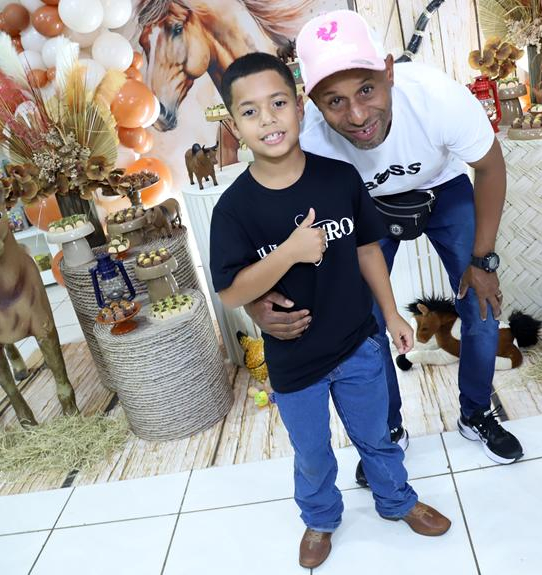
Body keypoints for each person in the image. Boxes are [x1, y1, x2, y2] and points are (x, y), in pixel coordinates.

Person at [244, 10, 524, 485]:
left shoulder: (438, 99)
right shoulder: (306, 141)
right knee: (366, 321)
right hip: (363, 207)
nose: (356, 116)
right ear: (311, 99)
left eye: (367, 90)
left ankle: (476, 411)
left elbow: (490, 167)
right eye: (335, 101)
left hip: (442, 187)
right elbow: (275, 220)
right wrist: (258, 299)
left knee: (481, 302)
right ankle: (388, 429)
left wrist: (483, 259)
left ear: (389, 71)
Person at [208, 52, 451, 569]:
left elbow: (367, 250)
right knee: (313, 454)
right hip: (295, 361)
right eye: (250, 112)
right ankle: (320, 519)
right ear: (233, 124)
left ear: (300, 106)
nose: (268, 119)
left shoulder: (340, 178)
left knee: (377, 437)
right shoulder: (235, 208)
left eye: (278, 103)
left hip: (358, 342)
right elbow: (229, 292)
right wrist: (289, 253)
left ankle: (397, 500)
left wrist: (391, 315)